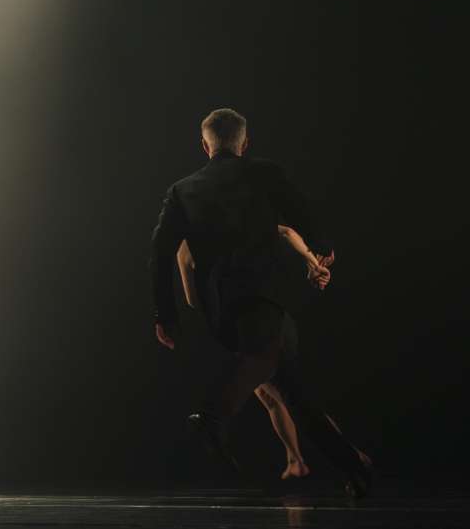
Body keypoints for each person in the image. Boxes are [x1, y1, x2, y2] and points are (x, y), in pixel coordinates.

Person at [149, 109, 373, 496]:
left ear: (205, 145)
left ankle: (353, 469)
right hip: (262, 297)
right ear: (245, 143)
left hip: (223, 310)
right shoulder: (264, 173)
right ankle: (212, 417)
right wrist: (322, 246)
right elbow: (298, 211)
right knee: (272, 365)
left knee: (292, 391)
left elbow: (161, 254)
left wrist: (165, 315)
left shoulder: (182, 191)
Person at [177, 227, 367, 480]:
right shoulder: (222, 224)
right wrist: (311, 262)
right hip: (254, 326)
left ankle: (351, 459)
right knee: (275, 397)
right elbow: (286, 232)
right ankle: (301, 459)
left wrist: (312, 262)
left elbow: (193, 300)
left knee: (292, 400)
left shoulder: (196, 240)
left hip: (258, 326)